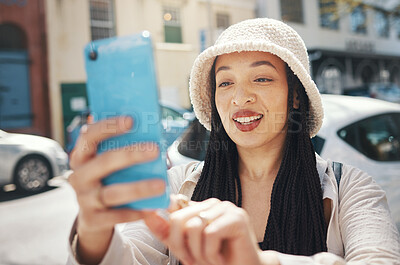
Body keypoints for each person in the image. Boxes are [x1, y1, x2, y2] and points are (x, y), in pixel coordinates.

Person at [67, 18, 400, 265]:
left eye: (262, 77)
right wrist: (94, 232)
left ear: (295, 96)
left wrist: (258, 261)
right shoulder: (178, 186)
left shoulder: (351, 189)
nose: (240, 98)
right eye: (225, 83)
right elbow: (130, 256)